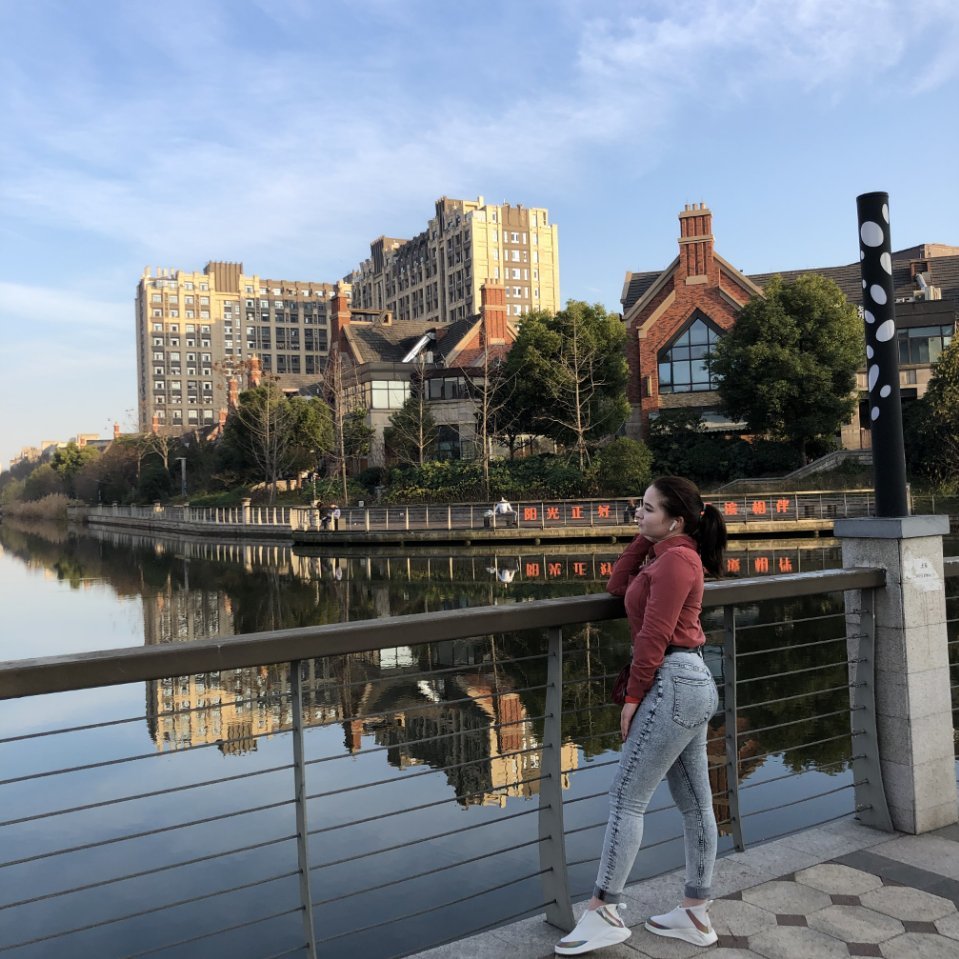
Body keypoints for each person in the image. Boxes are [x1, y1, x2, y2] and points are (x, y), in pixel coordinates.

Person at [555, 476, 727, 956]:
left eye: (648, 509)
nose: (637, 512)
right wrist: (644, 535)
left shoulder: (676, 562)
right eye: (639, 506)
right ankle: (695, 912)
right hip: (686, 684)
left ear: (676, 521)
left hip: (672, 684)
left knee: (626, 799)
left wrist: (633, 698)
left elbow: (654, 635)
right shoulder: (666, 555)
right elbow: (617, 585)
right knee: (695, 803)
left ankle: (604, 912)